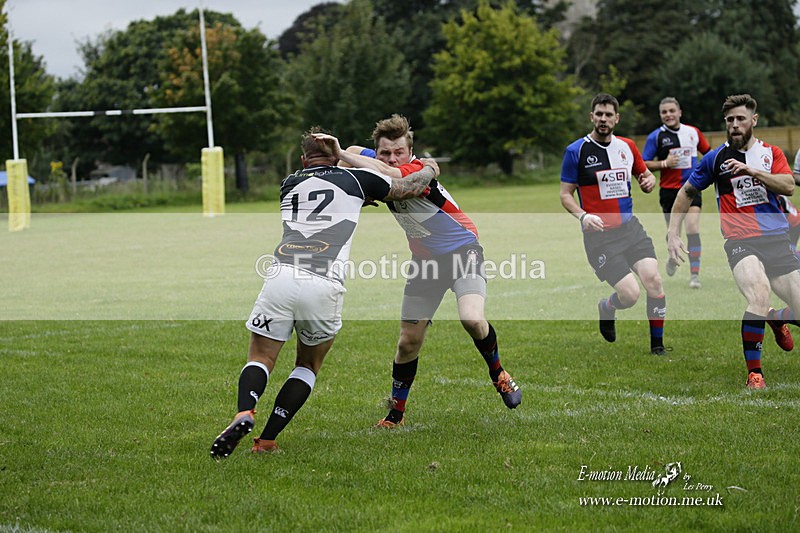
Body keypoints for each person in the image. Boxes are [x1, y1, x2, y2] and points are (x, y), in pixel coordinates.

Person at [210, 126, 438, 458]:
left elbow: (326, 187)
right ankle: (267, 439)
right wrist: (430, 168)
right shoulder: (358, 180)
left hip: (282, 274)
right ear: (337, 154)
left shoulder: (288, 183)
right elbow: (407, 187)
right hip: (324, 283)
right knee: (307, 365)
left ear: (303, 159)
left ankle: (245, 412)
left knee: (260, 358)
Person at [316, 114, 521, 429]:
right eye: (385, 152)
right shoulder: (375, 158)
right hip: (425, 262)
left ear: (410, 152)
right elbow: (362, 151)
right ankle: (395, 415)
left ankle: (499, 373)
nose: (392, 157)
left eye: (399, 151)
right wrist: (350, 175)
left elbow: (389, 174)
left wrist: (342, 154)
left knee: (471, 318)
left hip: (463, 250)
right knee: (407, 341)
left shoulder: (414, 172)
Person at [667, 94, 798, 390]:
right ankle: (755, 374)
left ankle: (776, 319)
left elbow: (789, 186)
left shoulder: (771, 153)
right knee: (759, 296)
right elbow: (686, 192)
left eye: (740, 119)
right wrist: (673, 233)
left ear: (754, 120)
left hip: (777, 240)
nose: (735, 125)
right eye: (730, 120)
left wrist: (754, 172)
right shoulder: (715, 159)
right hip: (741, 242)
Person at [560, 93, 668, 355]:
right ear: (591, 117)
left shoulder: (627, 147)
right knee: (630, 295)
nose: (603, 119)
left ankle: (657, 346)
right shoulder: (577, 151)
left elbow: (644, 176)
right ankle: (607, 307)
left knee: (653, 280)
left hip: (630, 229)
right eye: (599, 114)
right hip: (601, 237)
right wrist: (583, 216)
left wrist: (648, 181)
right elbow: (565, 195)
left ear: (616, 118)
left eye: (609, 115)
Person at [642, 97, 711, 288]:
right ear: (660, 115)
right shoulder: (655, 137)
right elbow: (643, 163)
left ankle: (694, 275)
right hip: (669, 192)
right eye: (664, 112)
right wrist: (664, 163)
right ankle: (673, 258)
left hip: (692, 188)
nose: (668, 115)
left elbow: (709, 153)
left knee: (693, 228)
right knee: (673, 232)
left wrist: (707, 172)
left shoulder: (693, 132)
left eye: (672, 111)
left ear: (680, 112)